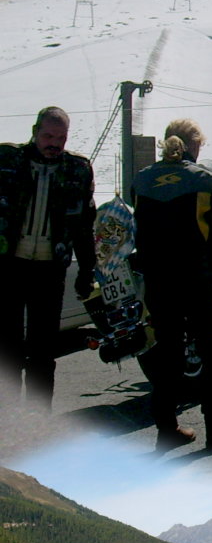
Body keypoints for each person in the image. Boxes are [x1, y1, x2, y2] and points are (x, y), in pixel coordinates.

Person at [133, 119, 212, 449]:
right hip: (197, 277)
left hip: (158, 281)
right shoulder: (206, 179)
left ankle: (166, 430)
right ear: (194, 146)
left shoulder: (142, 180)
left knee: (168, 355)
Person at [0, 107, 95, 405]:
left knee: (43, 351)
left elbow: (84, 225)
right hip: (9, 267)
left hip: (49, 271)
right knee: (9, 349)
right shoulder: (8, 160)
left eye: (60, 137)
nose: (53, 143)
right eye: (48, 135)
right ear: (34, 131)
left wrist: (86, 271)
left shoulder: (78, 169)